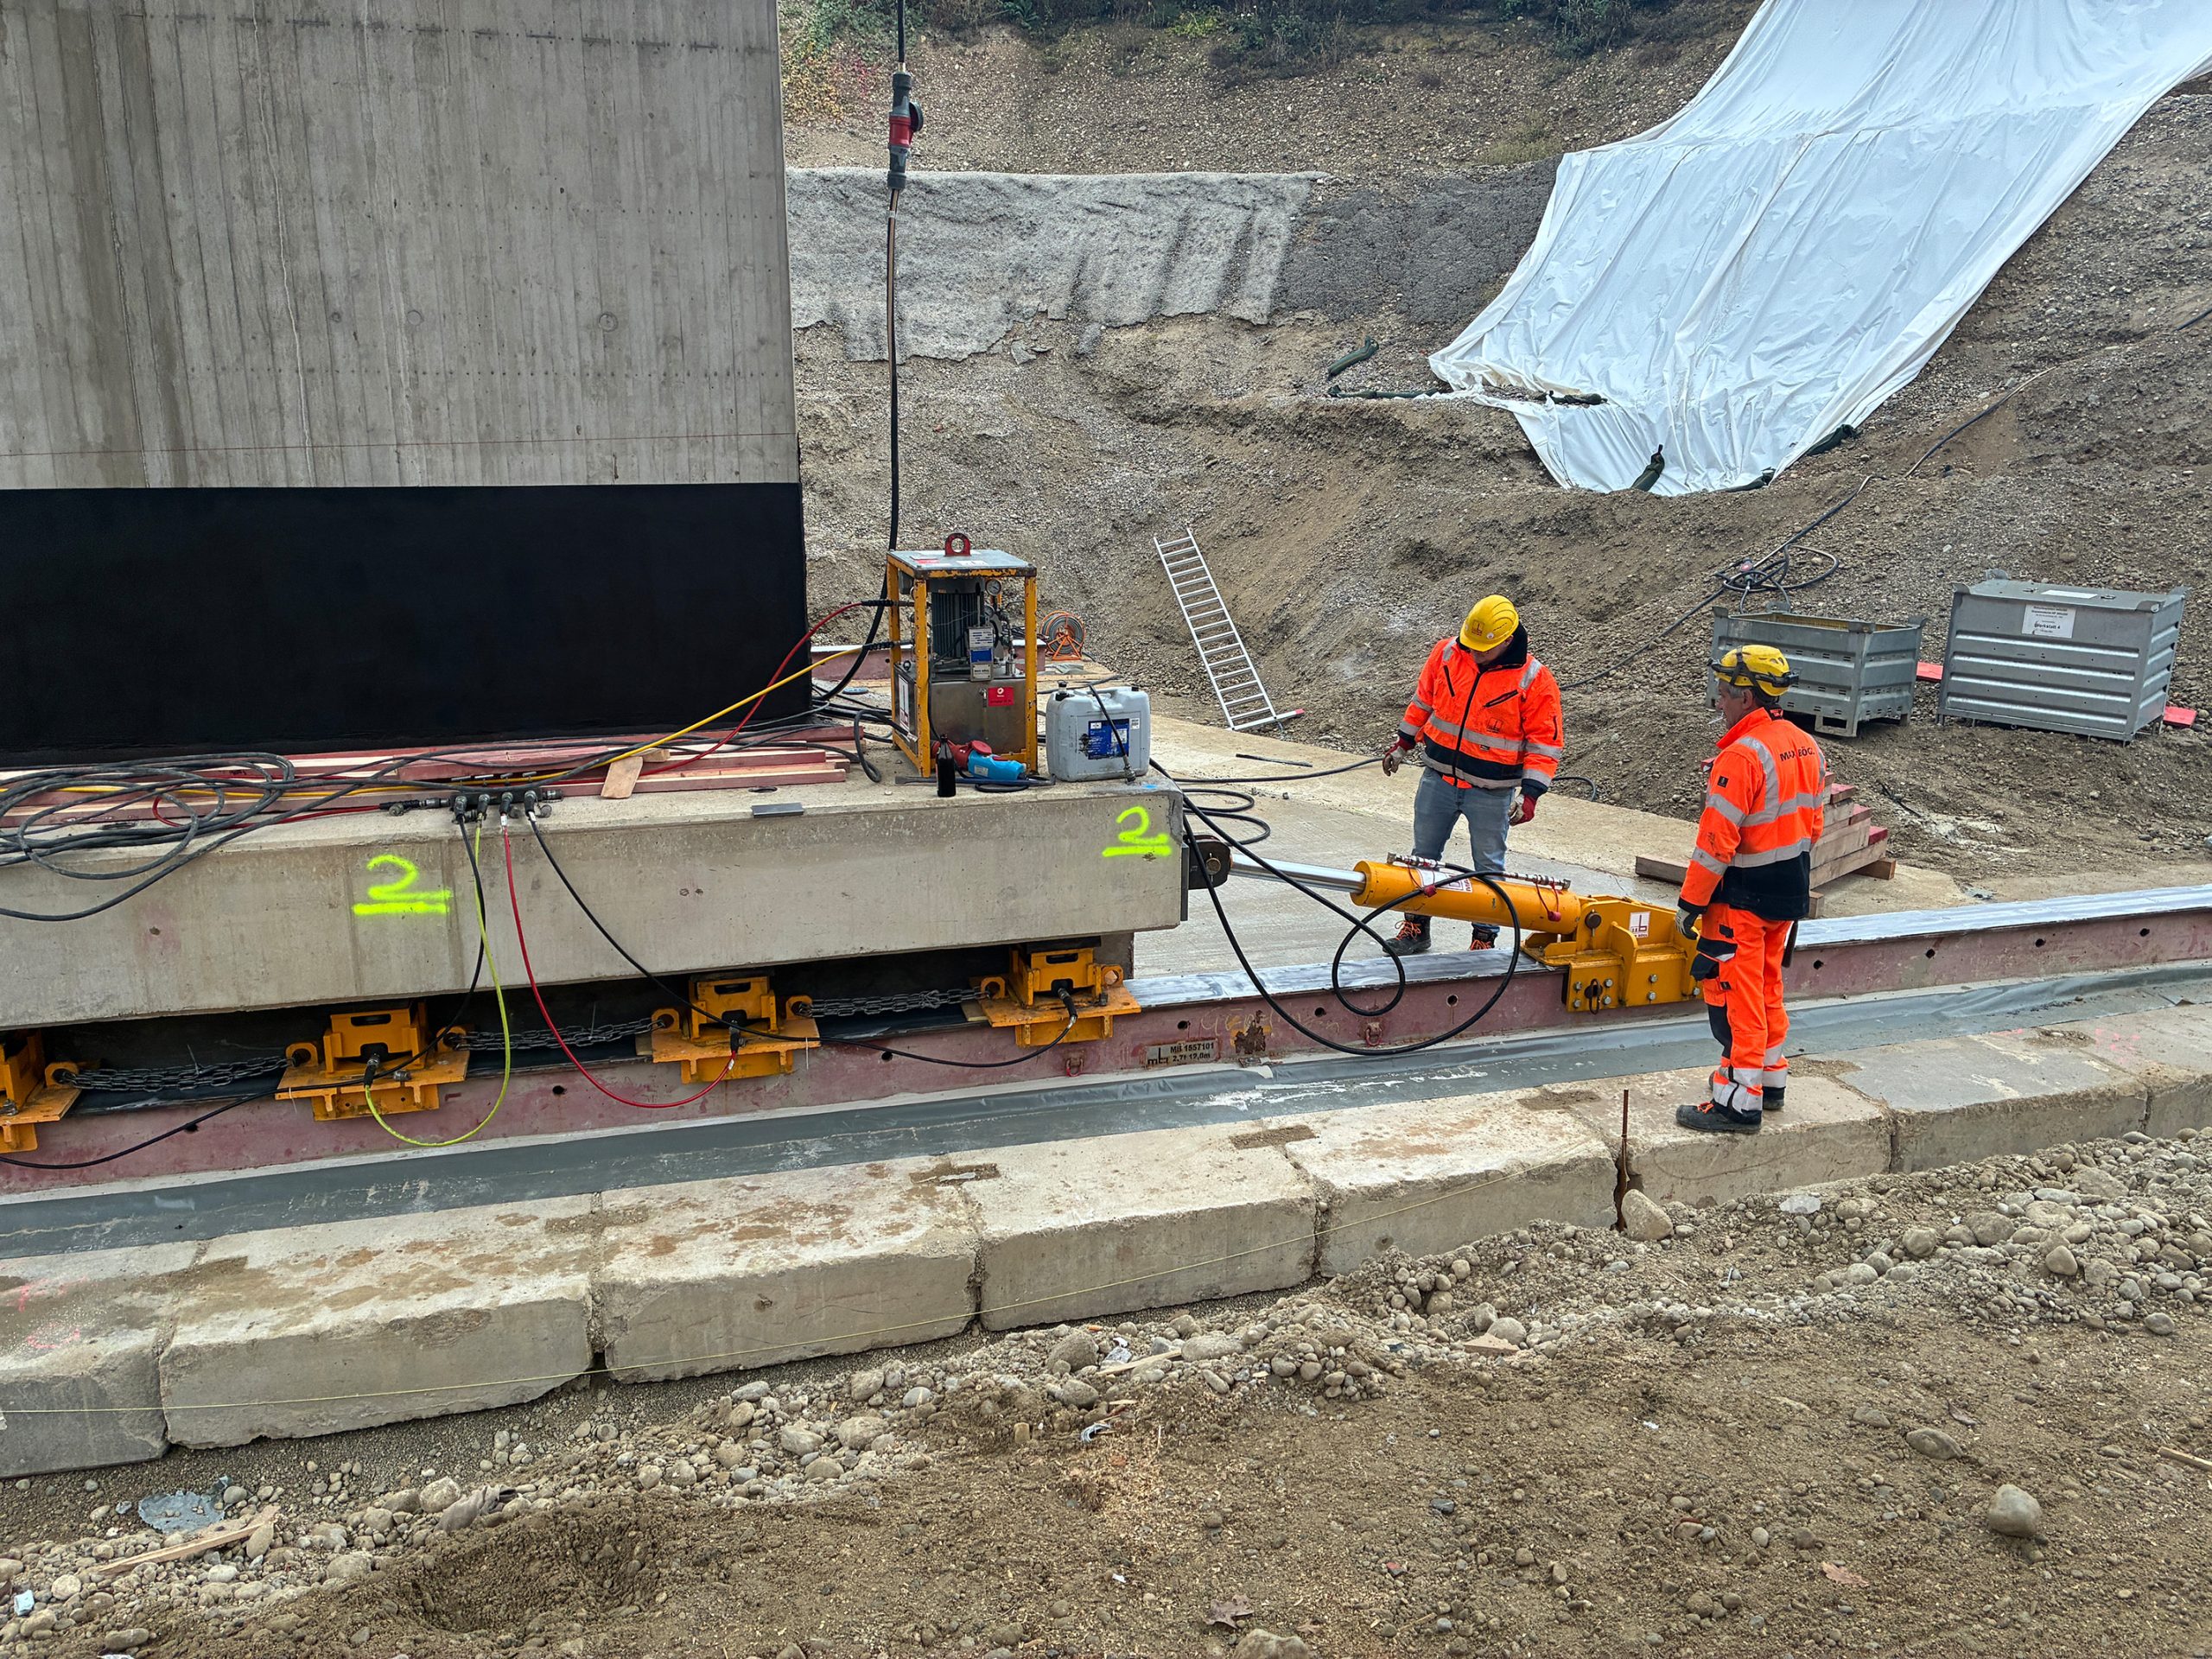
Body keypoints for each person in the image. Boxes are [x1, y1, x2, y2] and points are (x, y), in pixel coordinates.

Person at [1674, 644, 1829, 1135]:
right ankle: (1770, 1080)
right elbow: (1815, 825)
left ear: (1745, 696)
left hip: (1739, 898)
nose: (1719, 703)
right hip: (1786, 892)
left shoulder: (1741, 756)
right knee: (1767, 988)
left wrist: (1690, 902)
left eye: (1723, 694)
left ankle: (1738, 1102)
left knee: (1736, 997)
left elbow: (1716, 843)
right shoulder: (1805, 745)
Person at [1379, 594, 1562, 955]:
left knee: (1487, 869)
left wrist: (1531, 794)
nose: (1474, 653)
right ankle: (1415, 928)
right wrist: (1403, 743)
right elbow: (1423, 701)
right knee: (1422, 858)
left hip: (1492, 792)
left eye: (1484, 649)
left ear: (1507, 641)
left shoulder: (1534, 681)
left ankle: (1484, 939)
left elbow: (1545, 741)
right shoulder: (1448, 653)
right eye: (1471, 645)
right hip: (1438, 777)